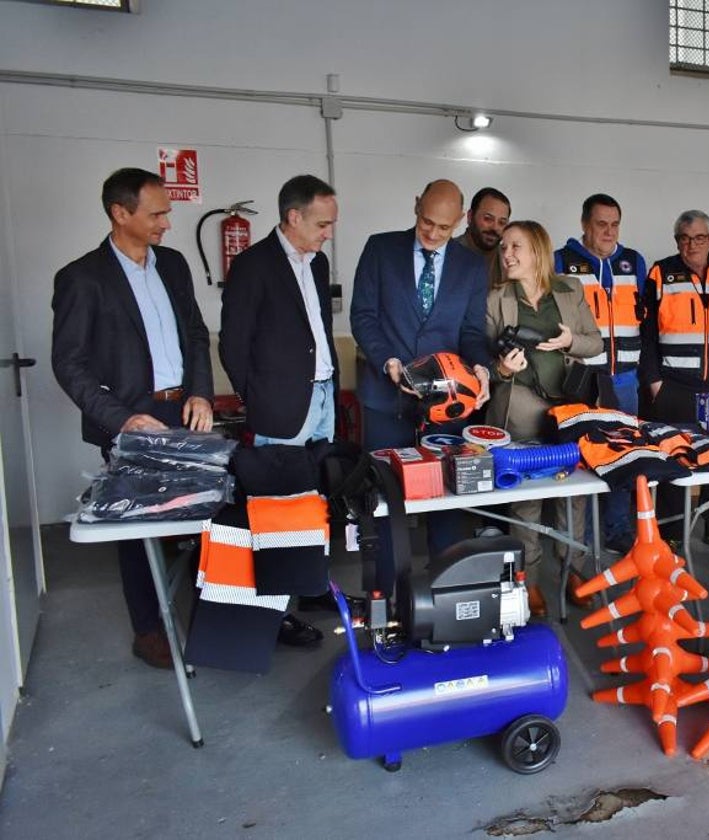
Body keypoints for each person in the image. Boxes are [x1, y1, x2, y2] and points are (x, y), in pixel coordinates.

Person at [51, 168, 214, 669]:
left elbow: (196, 334)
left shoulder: (174, 264)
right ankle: (149, 630)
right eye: (157, 213)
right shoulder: (83, 277)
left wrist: (203, 394)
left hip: (184, 410)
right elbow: (69, 363)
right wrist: (122, 420)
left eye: (167, 211)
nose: (167, 222)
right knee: (138, 528)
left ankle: (210, 616)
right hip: (132, 420)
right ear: (120, 214)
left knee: (200, 515)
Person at [219, 174, 341, 645]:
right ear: (293, 217)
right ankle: (275, 614)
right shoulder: (254, 265)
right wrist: (259, 396)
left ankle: (310, 587)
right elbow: (233, 344)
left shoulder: (317, 261)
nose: (327, 231)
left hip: (323, 395)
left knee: (314, 501)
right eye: (322, 223)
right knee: (278, 513)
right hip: (282, 405)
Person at [350, 178, 492, 557]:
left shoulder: (472, 266)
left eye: (443, 227)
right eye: (426, 221)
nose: (431, 232)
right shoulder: (381, 249)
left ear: (461, 220)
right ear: (416, 205)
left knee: (447, 496)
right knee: (383, 496)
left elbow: (473, 332)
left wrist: (481, 367)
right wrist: (387, 361)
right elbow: (363, 317)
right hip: (385, 397)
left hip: (448, 399)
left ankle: (442, 580)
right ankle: (385, 587)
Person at [486, 221, 603, 617]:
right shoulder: (496, 298)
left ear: (538, 250)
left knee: (575, 496)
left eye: (516, 246)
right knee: (526, 502)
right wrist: (502, 367)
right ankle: (530, 583)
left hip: (568, 410)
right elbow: (482, 359)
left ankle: (574, 571)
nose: (507, 254)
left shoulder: (570, 291)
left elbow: (595, 341)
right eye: (504, 247)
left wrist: (571, 340)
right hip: (519, 410)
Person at [642, 210, 709, 551]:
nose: (691, 245)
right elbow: (645, 334)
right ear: (677, 241)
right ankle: (672, 533)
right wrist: (655, 381)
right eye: (684, 238)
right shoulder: (661, 272)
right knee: (675, 459)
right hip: (674, 385)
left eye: (699, 238)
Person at [554, 193, 648, 554]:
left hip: (624, 378)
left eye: (614, 224)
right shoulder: (562, 261)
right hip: (582, 379)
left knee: (624, 456)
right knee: (583, 459)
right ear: (584, 224)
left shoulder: (634, 262)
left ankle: (616, 529)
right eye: (600, 224)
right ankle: (580, 537)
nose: (608, 232)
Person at [455, 187, 511, 258]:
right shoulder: (446, 253)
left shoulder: (508, 258)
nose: (495, 227)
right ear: (470, 216)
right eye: (488, 219)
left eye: (502, 222)